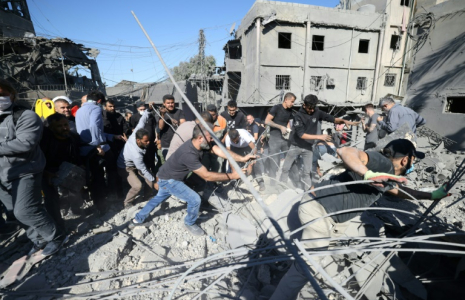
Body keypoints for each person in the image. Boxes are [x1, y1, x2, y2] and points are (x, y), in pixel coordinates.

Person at [270, 139, 450, 300]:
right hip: (319, 211)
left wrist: (431, 195)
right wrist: (367, 174)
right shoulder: (382, 163)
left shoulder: (385, 173)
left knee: (321, 258)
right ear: (405, 160)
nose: (413, 164)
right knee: (307, 266)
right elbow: (346, 151)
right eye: (413, 160)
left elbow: (398, 191)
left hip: (329, 215)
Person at [129, 125, 243, 236]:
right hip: (170, 180)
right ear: (200, 138)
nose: (212, 139)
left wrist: (242, 158)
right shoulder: (189, 153)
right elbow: (207, 176)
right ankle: (189, 223)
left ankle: (137, 219)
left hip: (166, 176)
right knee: (195, 199)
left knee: (158, 199)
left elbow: (220, 151)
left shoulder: (199, 144)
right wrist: (232, 176)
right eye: (210, 137)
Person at [0, 79, 64, 256]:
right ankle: (38, 238)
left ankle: (56, 236)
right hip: (2, 173)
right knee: (14, 212)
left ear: (12, 95)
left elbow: (25, 144)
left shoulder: (26, 116)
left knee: (25, 210)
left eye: (2, 95)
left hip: (25, 170)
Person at [280, 94, 358, 188]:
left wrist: (344, 121)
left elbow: (332, 119)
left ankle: (307, 191)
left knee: (307, 172)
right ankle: (281, 186)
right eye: (310, 108)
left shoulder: (316, 111)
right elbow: (301, 135)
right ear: (304, 105)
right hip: (295, 146)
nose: (312, 110)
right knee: (285, 168)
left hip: (308, 147)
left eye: (313, 108)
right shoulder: (298, 116)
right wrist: (320, 137)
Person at [76, 90, 125, 211]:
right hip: (98, 148)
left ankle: (99, 203)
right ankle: (110, 197)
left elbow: (94, 130)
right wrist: (97, 145)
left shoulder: (80, 110)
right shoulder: (96, 109)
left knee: (96, 176)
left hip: (85, 147)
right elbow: (94, 126)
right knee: (111, 170)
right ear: (99, 101)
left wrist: (111, 137)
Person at [41, 114, 82, 228]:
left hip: (67, 170)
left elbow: (78, 152)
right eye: (59, 126)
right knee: (51, 198)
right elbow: (38, 160)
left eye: (66, 124)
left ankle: (74, 209)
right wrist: (46, 173)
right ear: (51, 128)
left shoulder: (72, 137)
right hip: (47, 171)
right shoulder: (45, 141)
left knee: (74, 191)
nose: (64, 128)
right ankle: (57, 225)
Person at [117, 111, 156, 207]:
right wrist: (156, 182)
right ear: (138, 140)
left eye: (148, 140)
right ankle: (127, 202)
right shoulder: (136, 154)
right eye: (145, 141)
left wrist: (147, 112)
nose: (148, 143)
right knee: (137, 185)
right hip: (125, 167)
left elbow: (142, 121)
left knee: (150, 178)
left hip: (135, 164)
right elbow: (142, 169)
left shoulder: (137, 132)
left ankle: (147, 196)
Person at [265, 92, 296, 179]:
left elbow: (287, 122)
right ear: (286, 100)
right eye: (292, 101)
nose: (293, 104)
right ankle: (272, 183)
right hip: (274, 139)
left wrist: (289, 131)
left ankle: (288, 180)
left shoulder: (290, 110)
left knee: (290, 158)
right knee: (274, 161)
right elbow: (267, 121)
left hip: (285, 139)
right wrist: (280, 127)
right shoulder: (276, 108)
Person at [129, 102, 158, 176]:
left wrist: (157, 137)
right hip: (141, 144)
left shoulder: (151, 116)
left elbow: (155, 127)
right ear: (137, 109)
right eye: (141, 109)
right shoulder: (134, 117)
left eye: (144, 109)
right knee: (143, 160)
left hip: (151, 142)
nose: (142, 110)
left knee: (151, 159)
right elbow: (131, 128)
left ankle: (153, 175)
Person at [158, 94, 185, 160]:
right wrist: (162, 115)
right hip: (166, 144)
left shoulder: (179, 112)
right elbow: (160, 127)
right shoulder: (160, 113)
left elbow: (183, 124)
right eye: (168, 103)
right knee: (168, 163)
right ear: (164, 104)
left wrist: (177, 123)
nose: (170, 104)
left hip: (178, 143)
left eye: (172, 102)